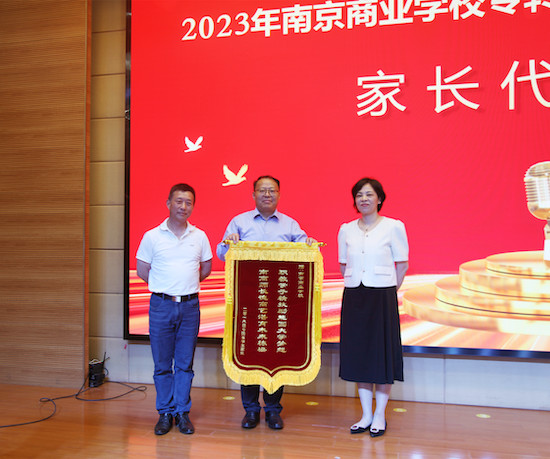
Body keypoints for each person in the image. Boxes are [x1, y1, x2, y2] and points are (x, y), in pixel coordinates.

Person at [217, 175, 316, 430]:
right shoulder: (239, 222)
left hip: (279, 303)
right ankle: (250, 410)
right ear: (253, 195)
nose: (267, 194)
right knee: (247, 353)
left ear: (279, 195)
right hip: (248, 304)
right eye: (262, 190)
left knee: (276, 353)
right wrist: (229, 243)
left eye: (272, 190)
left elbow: (305, 250)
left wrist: (309, 244)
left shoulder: (290, 224)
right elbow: (222, 253)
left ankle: (273, 410)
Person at [136, 183, 213, 436]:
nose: (183, 206)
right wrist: (165, 288)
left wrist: (184, 286)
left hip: (190, 306)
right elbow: (142, 270)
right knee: (162, 364)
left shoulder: (200, 236)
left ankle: (182, 412)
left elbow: (205, 268)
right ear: (168, 203)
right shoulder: (152, 236)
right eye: (179, 201)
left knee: (184, 364)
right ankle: (164, 413)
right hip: (161, 305)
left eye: (188, 202)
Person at [338, 177, 409, 438]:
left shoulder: (393, 226)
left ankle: (380, 415)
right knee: (360, 355)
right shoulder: (346, 229)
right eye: (359, 195)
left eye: (369, 194)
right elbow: (343, 264)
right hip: (355, 295)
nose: (364, 199)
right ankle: (366, 414)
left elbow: (402, 264)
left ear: (379, 199)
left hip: (382, 296)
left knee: (381, 355)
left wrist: (389, 289)